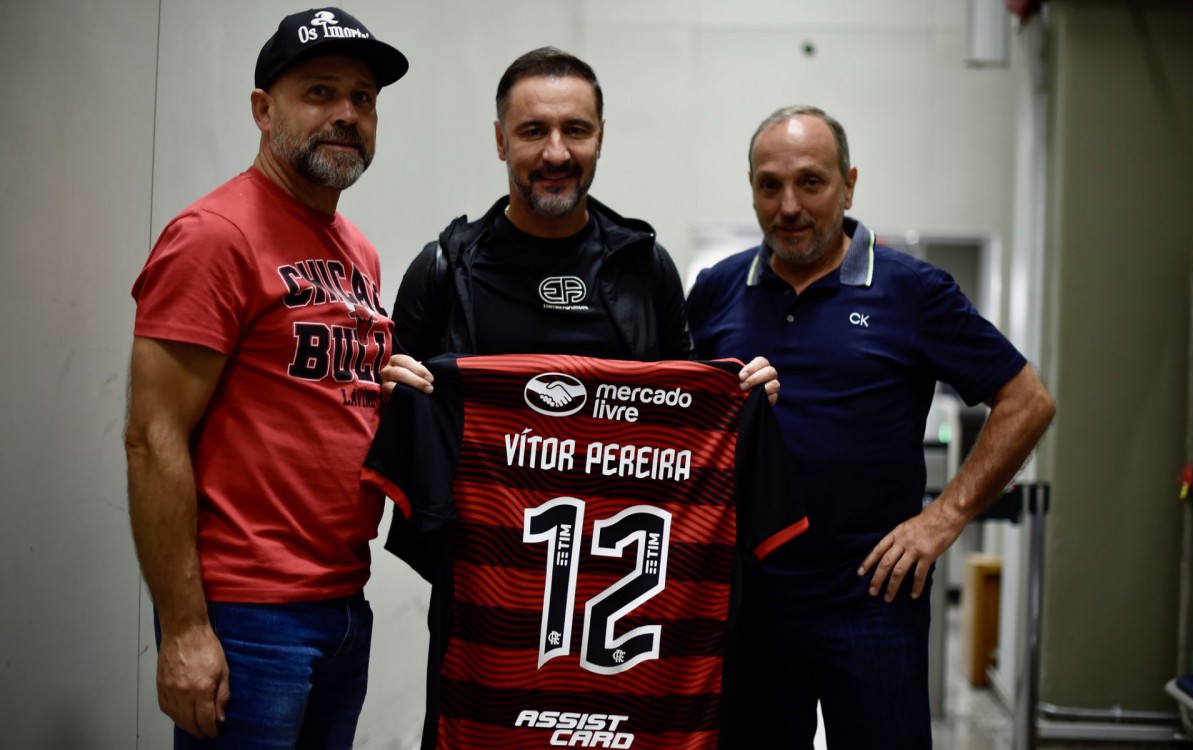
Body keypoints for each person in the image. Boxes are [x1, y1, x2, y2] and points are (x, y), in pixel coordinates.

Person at [685, 105, 1056, 749]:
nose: (789, 205)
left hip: (873, 598)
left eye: (811, 182)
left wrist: (942, 518)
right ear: (751, 188)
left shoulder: (911, 291)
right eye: (769, 185)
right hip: (751, 601)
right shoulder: (716, 291)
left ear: (849, 184)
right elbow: (676, 419)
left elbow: (1027, 401)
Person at [124, 8, 408, 747]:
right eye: (319, 92)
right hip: (247, 615)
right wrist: (184, 628)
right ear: (263, 110)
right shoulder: (215, 236)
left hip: (344, 602)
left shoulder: (359, 252)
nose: (346, 114)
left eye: (364, 98)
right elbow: (152, 439)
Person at [381, 46, 777, 398]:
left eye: (575, 130)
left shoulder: (646, 267)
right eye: (533, 131)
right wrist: (388, 387)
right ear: (501, 141)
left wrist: (740, 396)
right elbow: (393, 417)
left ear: (600, 138)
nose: (556, 153)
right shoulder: (443, 270)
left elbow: (685, 411)